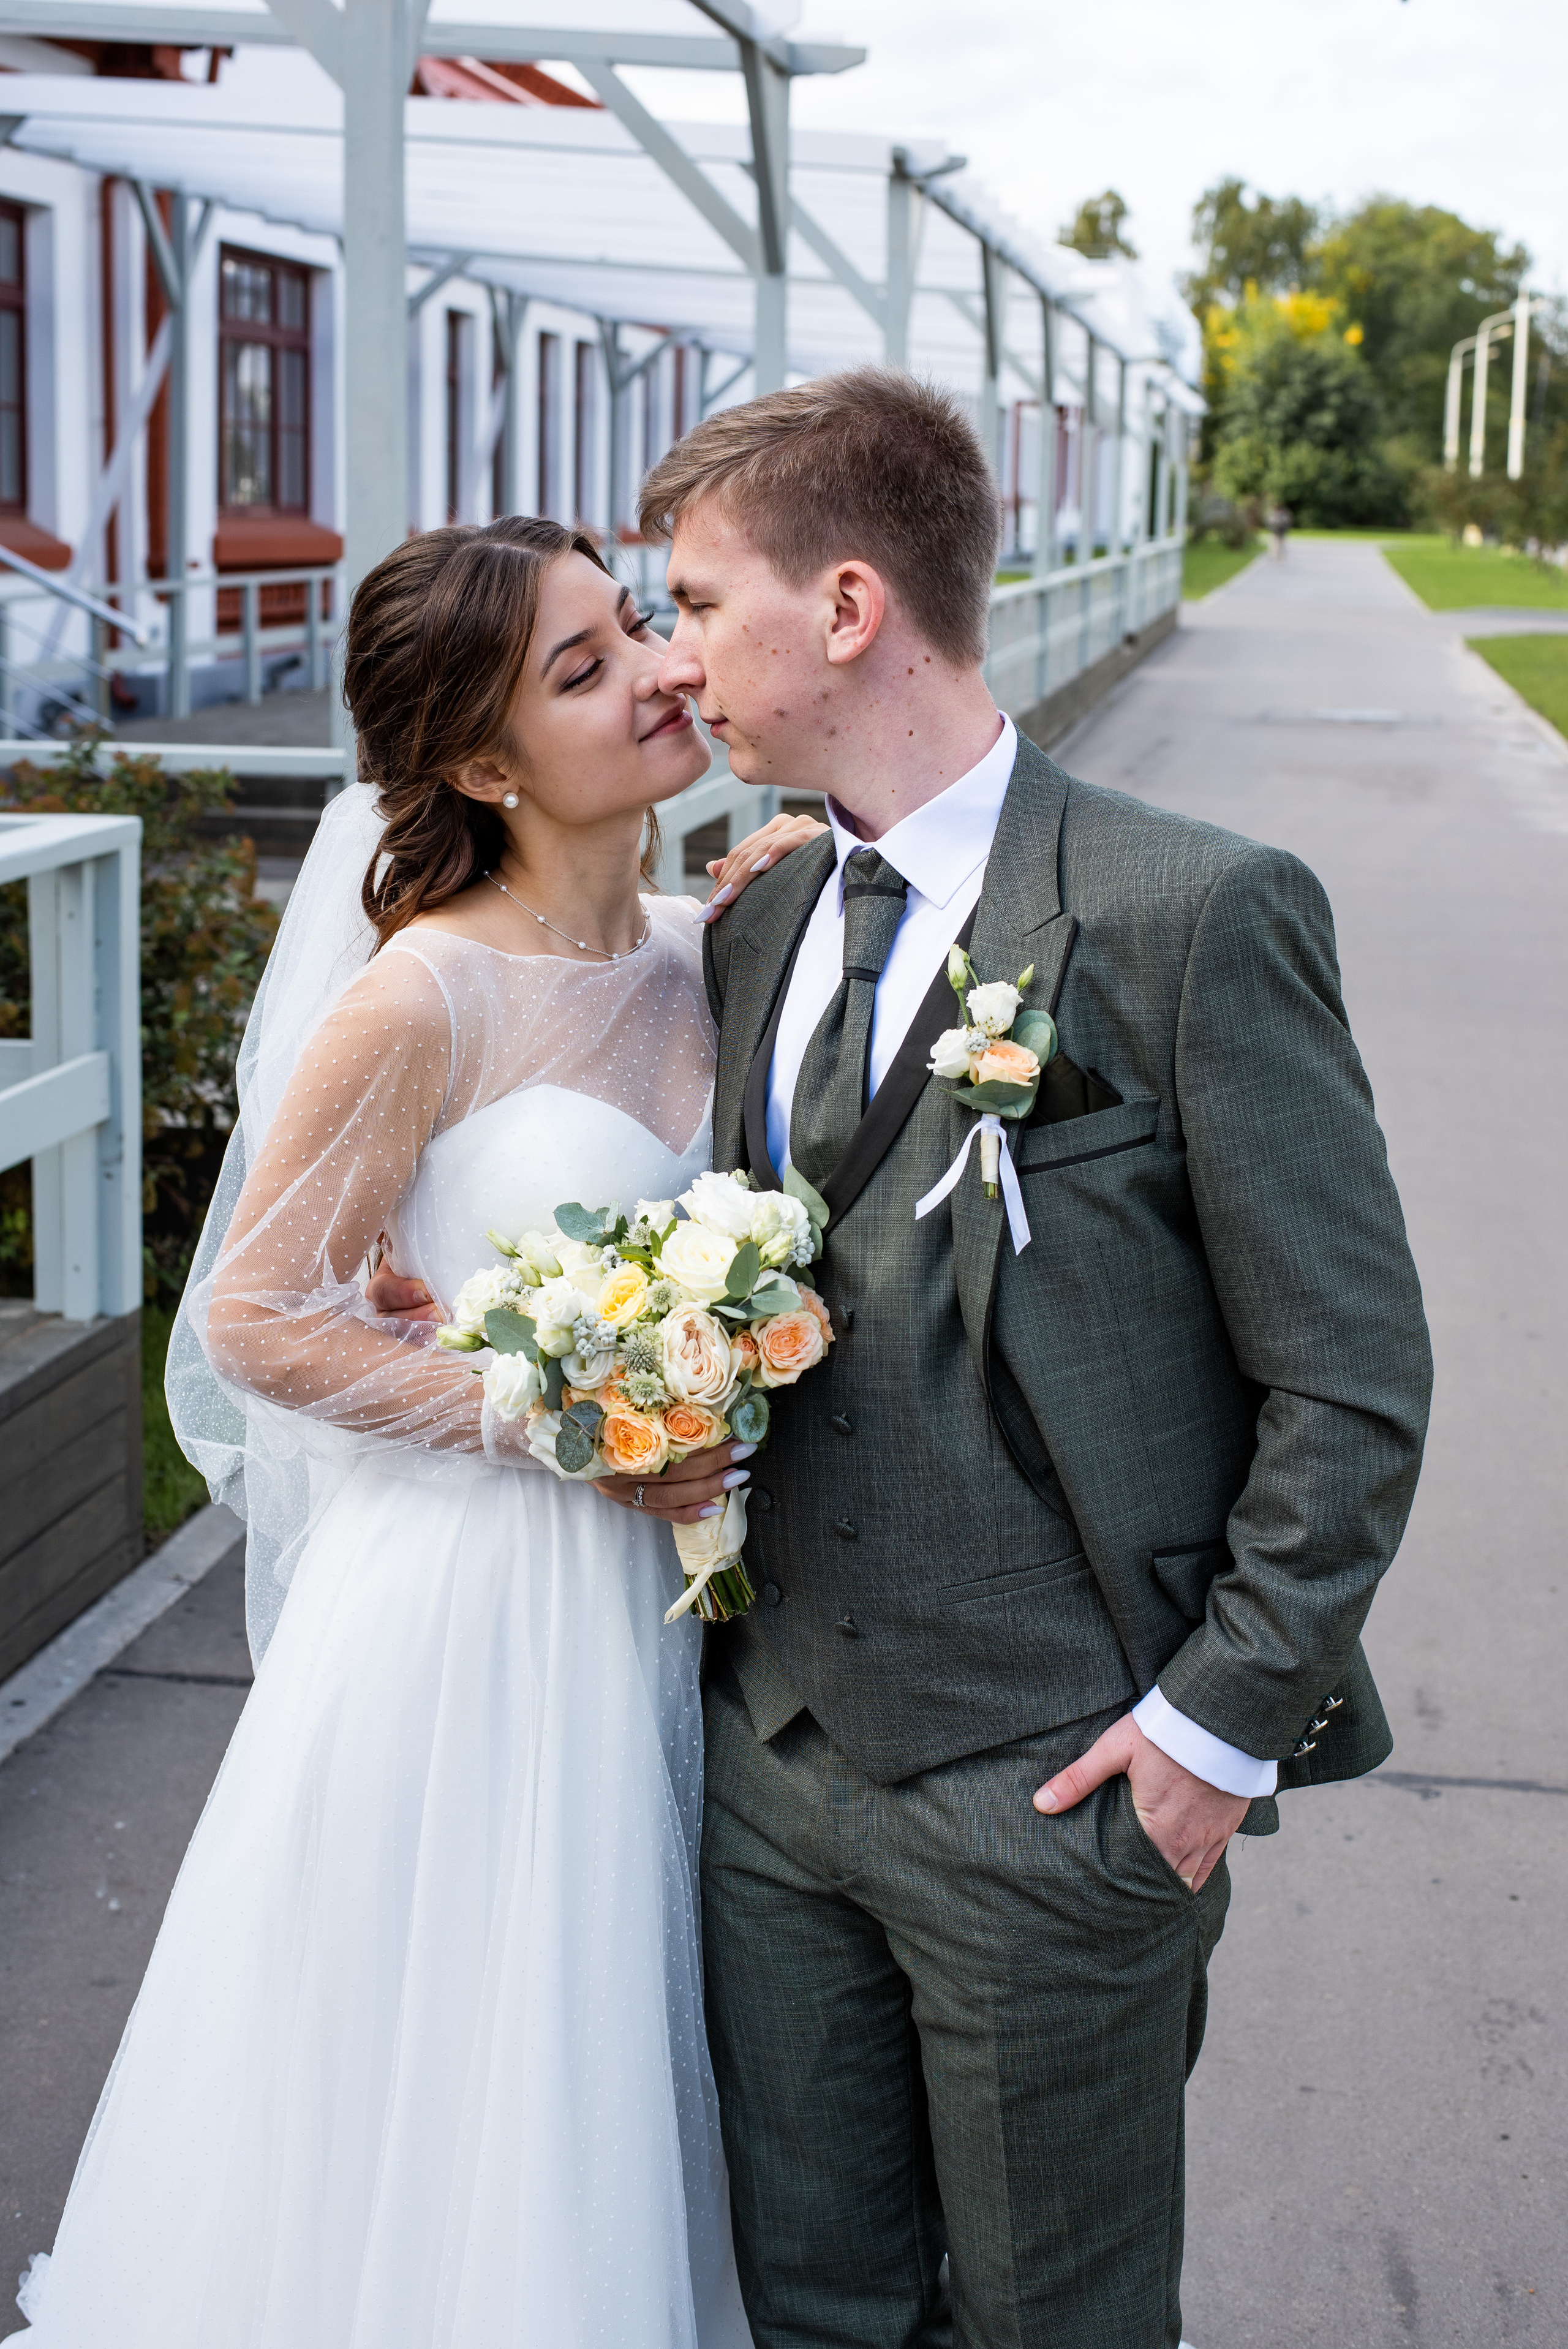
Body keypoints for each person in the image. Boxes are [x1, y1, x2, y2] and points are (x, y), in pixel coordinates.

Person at [638, 371, 1429, 2348]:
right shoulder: (757, 925)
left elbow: (1351, 1376)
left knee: (1054, 2322)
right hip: (775, 1769)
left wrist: (1211, 1732)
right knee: (814, 2306)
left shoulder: (1191, 911)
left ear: (843, 608)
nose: (672, 659)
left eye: (693, 601)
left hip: (1064, 1788)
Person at [4, 516, 817, 2349]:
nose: (659, 672)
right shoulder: (421, 995)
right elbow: (253, 1318)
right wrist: (573, 1422)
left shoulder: (723, 943)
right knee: (466, 2067)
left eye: (637, 627)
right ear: (475, 759)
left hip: (668, 1616)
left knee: (616, 2053)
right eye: (584, 668)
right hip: (473, 1618)